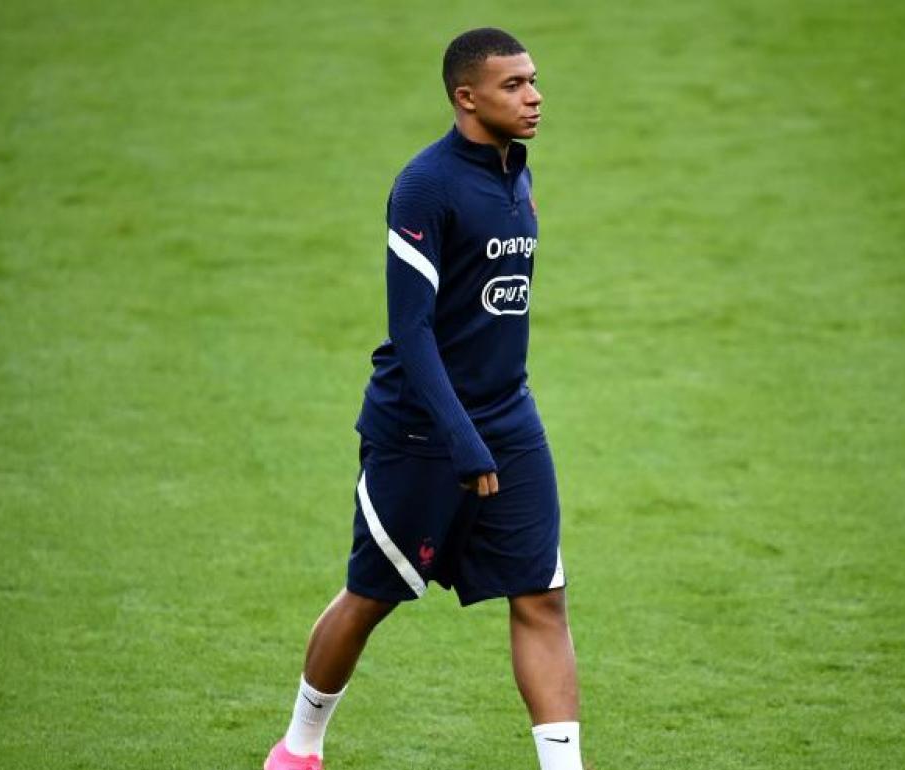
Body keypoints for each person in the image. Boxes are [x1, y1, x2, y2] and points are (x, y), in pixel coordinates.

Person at [264, 27, 583, 770]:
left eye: (534, 80)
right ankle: (298, 750)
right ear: (465, 97)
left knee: (541, 595)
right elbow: (410, 329)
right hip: (419, 430)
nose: (534, 97)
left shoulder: (517, 174)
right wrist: (460, 440)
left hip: (510, 415)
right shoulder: (426, 185)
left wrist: (491, 428)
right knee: (371, 596)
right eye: (513, 86)